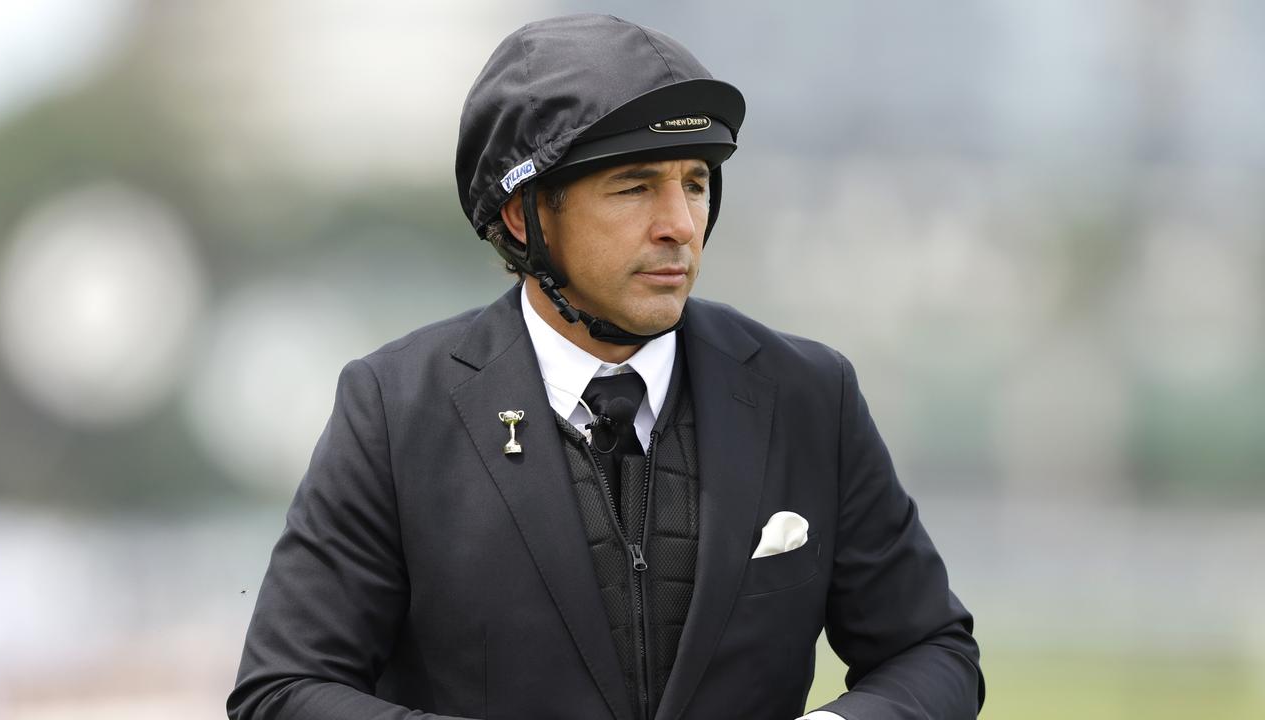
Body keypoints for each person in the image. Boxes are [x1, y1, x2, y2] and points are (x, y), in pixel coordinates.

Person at [228, 13, 983, 720]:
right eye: (635, 188)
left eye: (694, 182)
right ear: (525, 215)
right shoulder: (394, 408)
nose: (680, 226)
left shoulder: (810, 395)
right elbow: (283, 689)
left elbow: (932, 650)